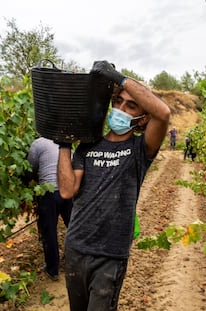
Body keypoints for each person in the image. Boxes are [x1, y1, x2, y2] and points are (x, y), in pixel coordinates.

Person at [57, 60, 171, 310]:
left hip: (110, 255)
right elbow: (67, 190)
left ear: (142, 119)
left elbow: (163, 113)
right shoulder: (87, 146)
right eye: (117, 101)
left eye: (131, 106)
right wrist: (64, 144)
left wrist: (118, 78)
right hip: (76, 248)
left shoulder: (140, 150)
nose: (120, 108)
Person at [27, 137, 72, 281]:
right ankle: (75, 261)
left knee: (50, 231)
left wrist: (29, 181)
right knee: (73, 226)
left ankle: (53, 270)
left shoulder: (38, 143)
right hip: (68, 189)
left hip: (49, 192)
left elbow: (30, 168)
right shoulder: (66, 144)